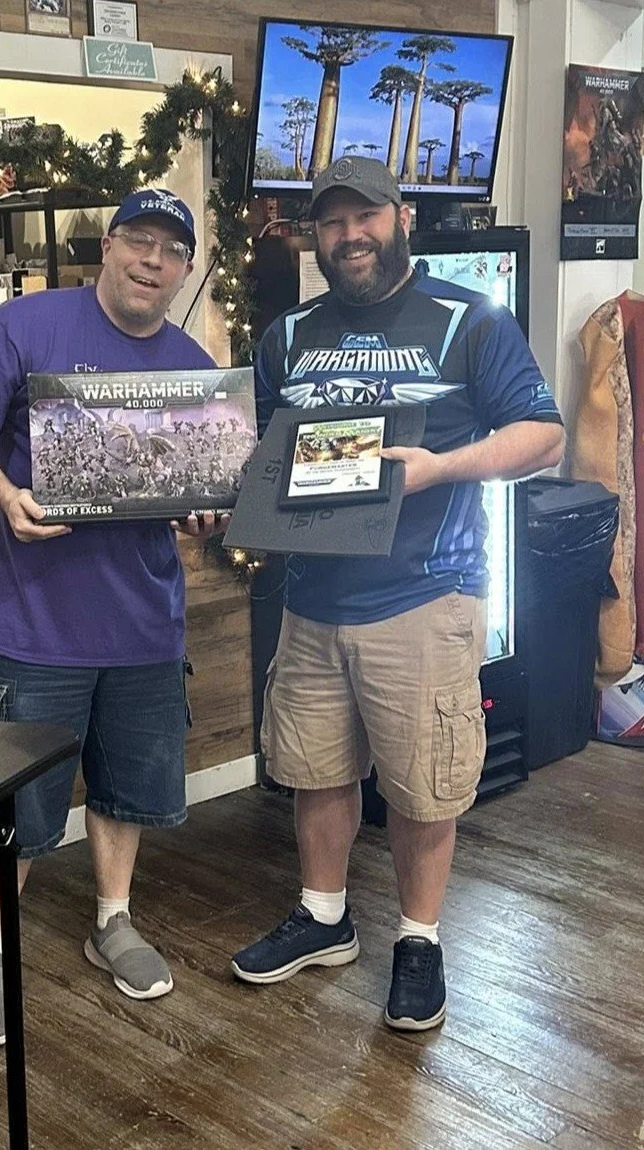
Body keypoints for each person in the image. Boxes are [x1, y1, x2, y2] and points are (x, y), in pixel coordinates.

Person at [231, 157, 564, 1031]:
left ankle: (418, 939)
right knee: (315, 769)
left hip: (424, 597)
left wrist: (439, 468)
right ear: (315, 234)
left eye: (365, 217)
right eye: (332, 222)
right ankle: (324, 917)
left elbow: (542, 437)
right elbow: (254, 455)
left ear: (401, 217)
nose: (350, 236)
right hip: (311, 599)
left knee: (423, 786)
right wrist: (216, 501)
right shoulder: (287, 336)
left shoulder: (469, 320)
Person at [0, 188, 225, 1047]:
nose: (151, 260)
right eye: (138, 240)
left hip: (145, 626)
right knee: (16, 805)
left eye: (170, 249)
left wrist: (204, 514)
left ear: (184, 268)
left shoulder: (191, 364)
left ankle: (112, 920)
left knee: (124, 792)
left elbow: (197, 489)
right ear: (109, 246)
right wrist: (4, 492)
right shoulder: (24, 326)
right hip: (35, 625)